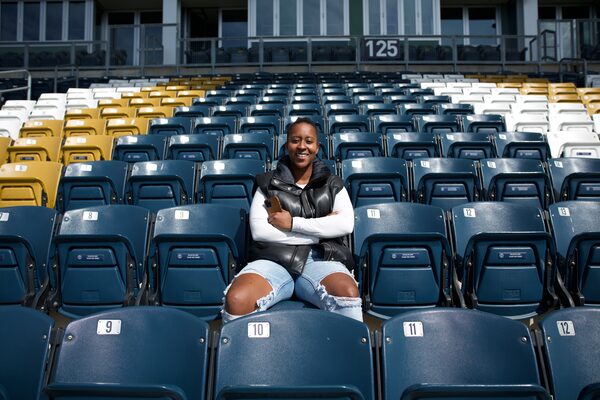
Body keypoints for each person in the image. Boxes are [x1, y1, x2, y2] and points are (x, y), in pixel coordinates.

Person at [221, 117, 362, 322]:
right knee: (237, 298)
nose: (302, 146)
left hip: (320, 259)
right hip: (272, 259)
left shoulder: (333, 184)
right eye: (295, 140)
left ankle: (350, 345)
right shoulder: (267, 183)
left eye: (308, 141)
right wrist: (322, 231)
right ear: (286, 145)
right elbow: (261, 232)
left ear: (317, 147)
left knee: (347, 293)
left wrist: (292, 224)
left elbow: (345, 224)